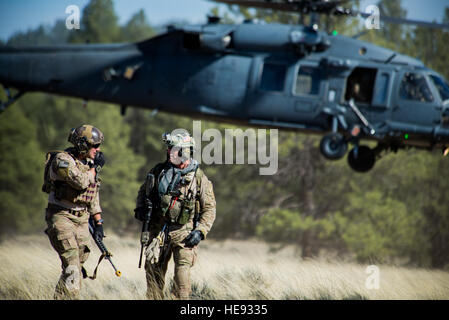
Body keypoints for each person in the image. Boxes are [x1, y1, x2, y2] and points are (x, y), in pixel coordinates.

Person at [134, 130, 216, 300]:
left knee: (182, 282)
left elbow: (210, 209)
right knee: (153, 278)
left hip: (184, 232)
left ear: (186, 152)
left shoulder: (198, 178)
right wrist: (141, 208)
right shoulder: (158, 171)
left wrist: (200, 231)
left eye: (175, 149)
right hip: (159, 232)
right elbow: (143, 192)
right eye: (170, 149)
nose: (170, 152)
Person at [43, 124, 106, 300]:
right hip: (62, 216)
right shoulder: (62, 161)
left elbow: (92, 193)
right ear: (82, 145)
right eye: (94, 146)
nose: (98, 150)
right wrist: (96, 169)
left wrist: (98, 221)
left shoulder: (89, 163)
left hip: (82, 219)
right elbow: (80, 182)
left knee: (78, 263)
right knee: (72, 266)